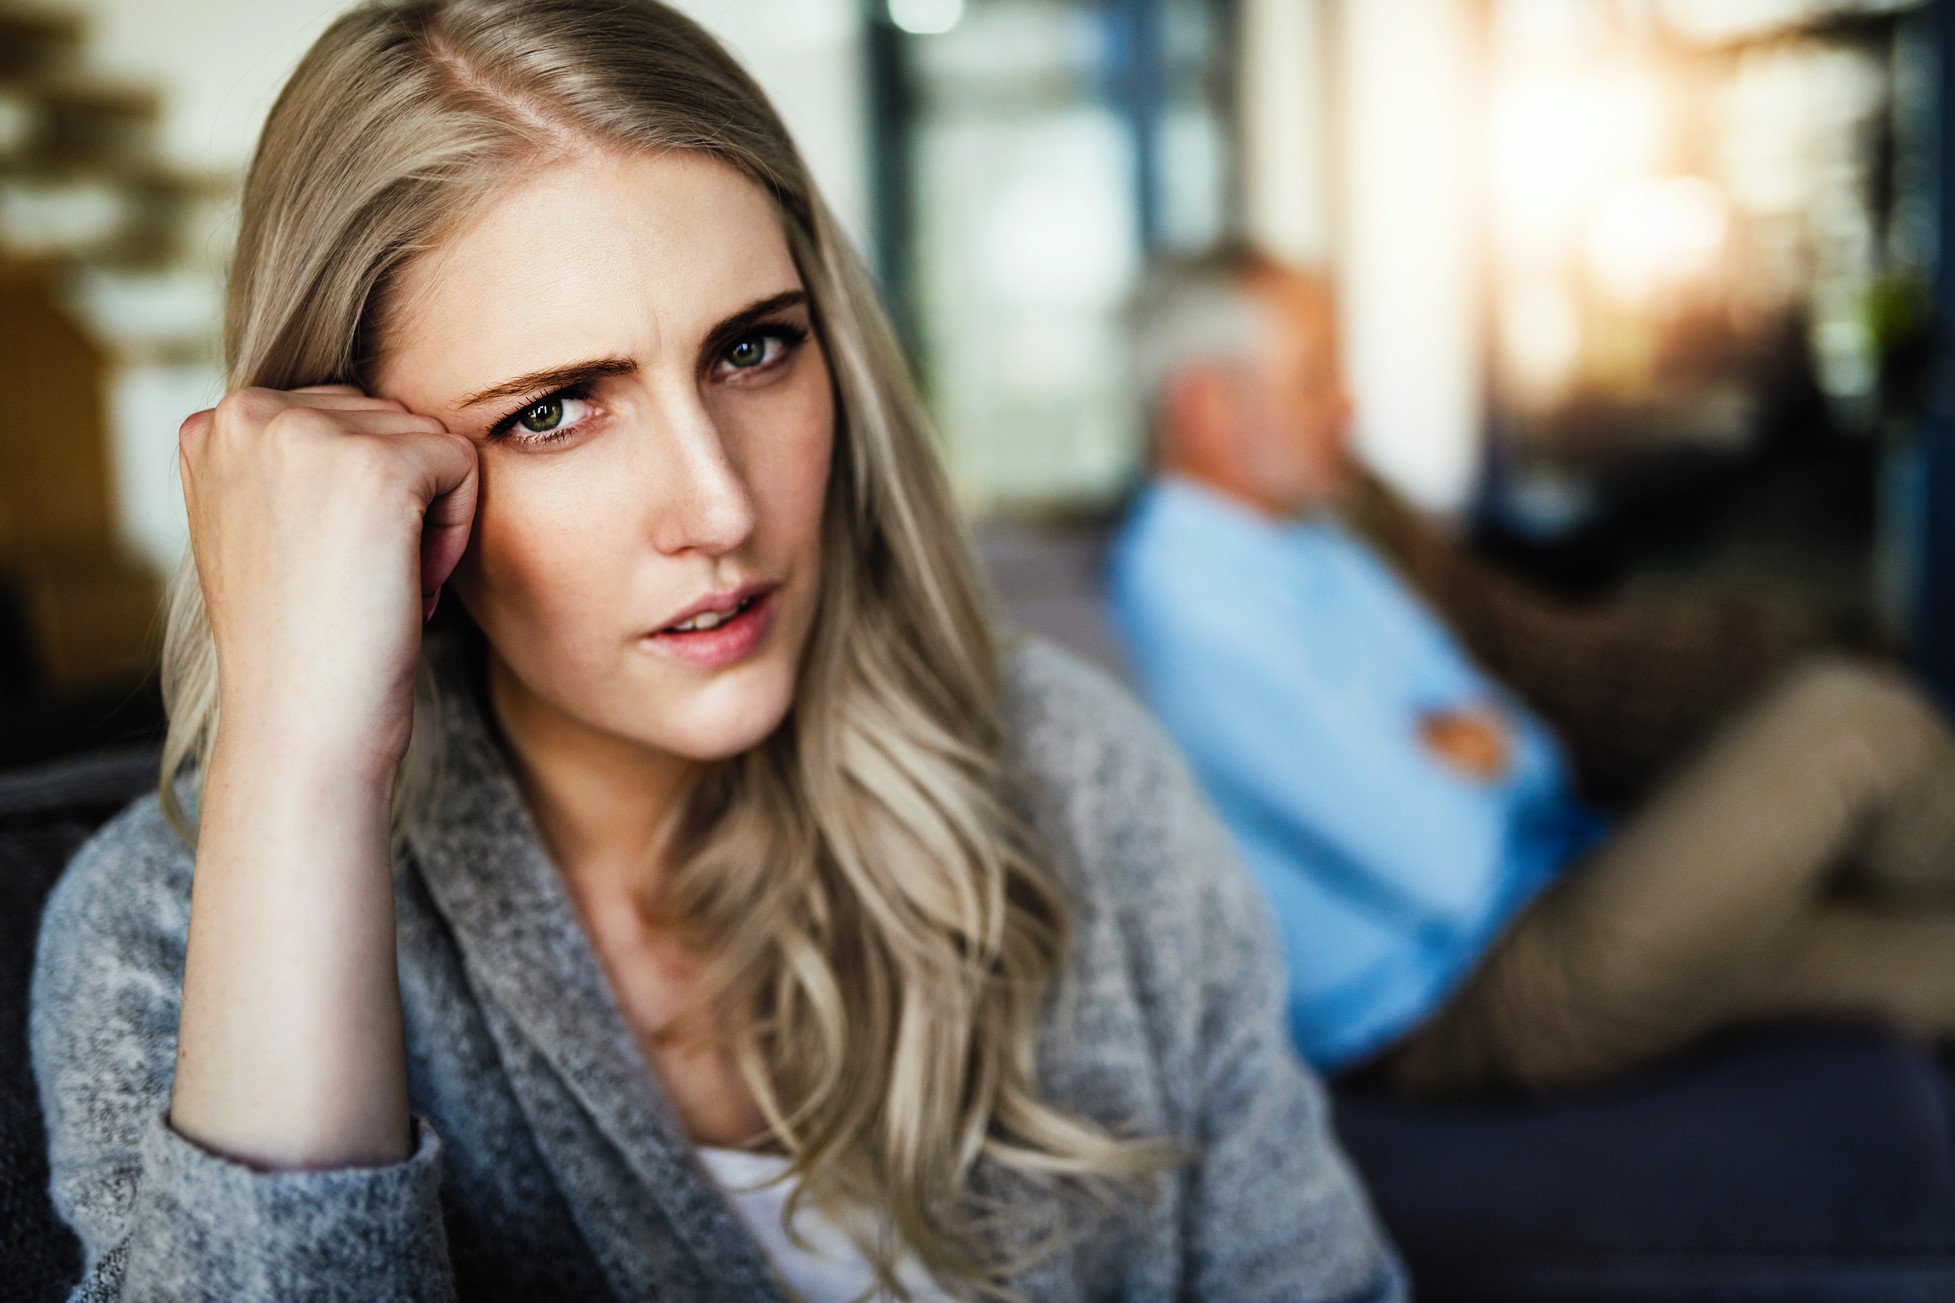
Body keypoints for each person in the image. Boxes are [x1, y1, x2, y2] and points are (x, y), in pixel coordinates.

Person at [26, 8, 1408, 1302]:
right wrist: (299, 755)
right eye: (556, 410)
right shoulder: (161, 934)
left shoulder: (1068, 765)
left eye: (752, 348)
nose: (721, 506)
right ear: (364, 469)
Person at [1105, 244, 1955, 1097]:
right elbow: (1453, 862)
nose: (1346, 403)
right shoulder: (1187, 592)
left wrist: (1476, 753)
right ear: (1209, 406)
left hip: (1553, 879)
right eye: (1313, 377)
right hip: (1469, 995)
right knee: (1846, 722)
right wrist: (1460, 748)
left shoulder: (1313, 541)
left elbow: (1530, 750)